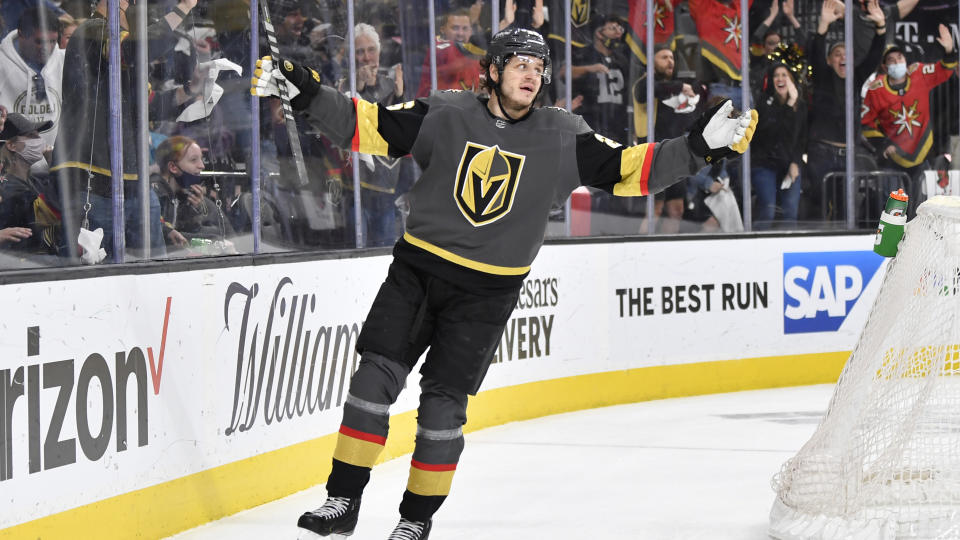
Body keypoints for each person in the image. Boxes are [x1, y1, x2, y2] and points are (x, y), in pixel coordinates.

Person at [253, 27, 756, 539]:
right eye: (520, 65)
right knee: (371, 380)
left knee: (443, 406)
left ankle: (414, 522)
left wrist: (697, 148)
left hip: (487, 292)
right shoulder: (446, 113)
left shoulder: (562, 134)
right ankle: (343, 500)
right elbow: (370, 125)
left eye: (539, 69)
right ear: (491, 72)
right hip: (418, 270)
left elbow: (631, 170)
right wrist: (310, 94)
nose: (532, 76)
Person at [50, 0, 199, 261]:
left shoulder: (121, 48)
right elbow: (134, 48)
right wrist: (182, 8)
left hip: (134, 183)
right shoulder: (92, 30)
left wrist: (191, 90)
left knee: (153, 275)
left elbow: (147, 108)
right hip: (93, 181)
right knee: (95, 281)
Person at [803, 0, 885, 222]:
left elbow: (874, 57)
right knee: (819, 204)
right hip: (822, 152)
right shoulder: (822, 77)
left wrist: (881, 28)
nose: (843, 57)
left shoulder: (856, 79)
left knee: (846, 206)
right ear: (830, 61)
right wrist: (823, 26)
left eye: (846, 54)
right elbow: (815, 55)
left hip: (849, 153)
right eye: (837, 54)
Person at [337, 22, 404, 247]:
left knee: (384, 253)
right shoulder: (343, 86)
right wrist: (362, 89)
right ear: (350, 56)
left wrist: (400, 96)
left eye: (371, 50)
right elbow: (351, 123)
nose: (366, 57)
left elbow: (401, 128)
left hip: (388, 187)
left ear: (379, 52)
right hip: (357, 187)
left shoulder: (392, 84)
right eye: (359, 51)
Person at [861, 28, 957, 180]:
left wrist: (949, 49)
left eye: (899, 57)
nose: (897, 62)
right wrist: (884, 144)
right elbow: (866, 124)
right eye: (891, 60)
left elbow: (945, 68)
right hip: (892, 161)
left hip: (923, 155)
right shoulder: (875, 89)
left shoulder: (918, 73)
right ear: (885, 67)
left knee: (922, 202)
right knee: (896, 203)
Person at [150, 135, 234, 255]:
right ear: (173, 167)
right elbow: (170, 238)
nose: (202, 165)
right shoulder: (156, 194)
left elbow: (188, 229)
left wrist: (194, 210)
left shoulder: (181, 193)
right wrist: (214, 244)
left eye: (201, 159)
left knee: (218, 234)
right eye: (194, 160)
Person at [0, 5, 65, 150]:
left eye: (52, 41)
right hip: (10, 164)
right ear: (22, 34)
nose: (47, 48)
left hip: (55, 163)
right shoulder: (1, 64)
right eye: (39, 41)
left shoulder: (66, 61)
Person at [750, 62, 806, 229]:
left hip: (789, 164)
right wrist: (789, 105)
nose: (780, 79)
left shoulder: (801, 106)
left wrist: (795, 162)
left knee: (790, 212)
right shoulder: (763, 103)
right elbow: (772, 134)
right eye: (776, 75)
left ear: (792, 80)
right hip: (764, 164)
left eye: (784, 75)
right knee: (767, 210)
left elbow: (801, 139)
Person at [0, 111, 60, 257]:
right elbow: (56, 214)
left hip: (43, 266)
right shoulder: (7, 188)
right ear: (12, 145)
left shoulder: (36, 181)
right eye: (32, 136)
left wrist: (53, 164)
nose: (40, 140)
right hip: (20, 268)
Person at [416, 9, 484, 96]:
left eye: (465, 28)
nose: (460, 33)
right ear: (443, 30)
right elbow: (453, 64)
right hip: (437, 105)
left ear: (471, 31)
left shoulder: (473, 50)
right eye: (455, 28)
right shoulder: (438, 48)